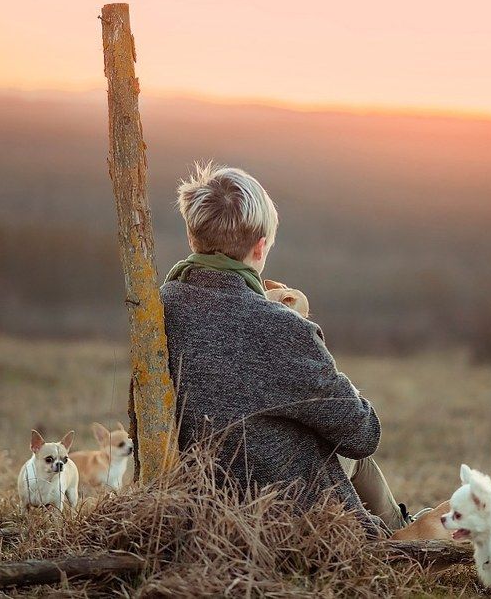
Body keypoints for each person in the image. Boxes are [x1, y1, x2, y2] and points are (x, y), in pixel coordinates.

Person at [160, 162, 409, 536]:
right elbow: (362, 434)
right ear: (260, 247)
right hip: (295, 524)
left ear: (193, 236)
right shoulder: (279, 326)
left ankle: (402, 526)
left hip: (192, 506)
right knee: (356, 458)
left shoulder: (162, 303)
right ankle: (401, 535)